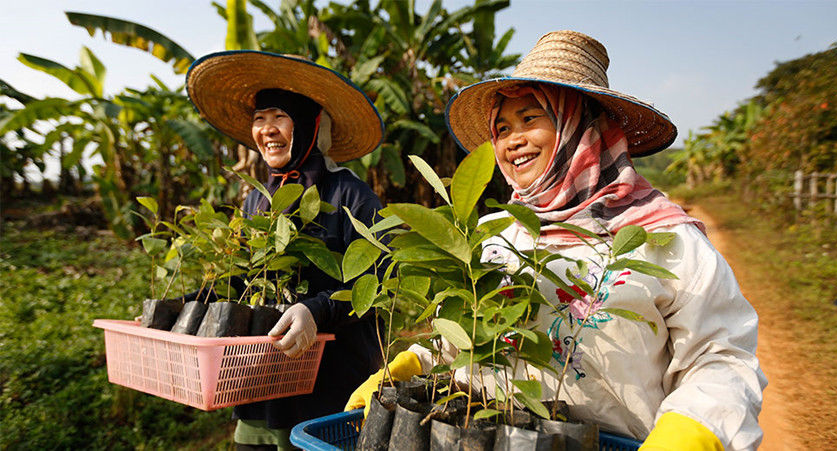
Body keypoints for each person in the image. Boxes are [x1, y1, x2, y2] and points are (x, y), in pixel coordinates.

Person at [347, 31, 767, 450]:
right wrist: (413, 364)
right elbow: (463, 339)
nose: (513, 140)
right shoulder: (494, 235)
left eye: (531, 119)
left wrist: (693, 430)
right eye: (503, 127)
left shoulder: (664, 238)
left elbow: (721, 357)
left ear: (579, 126)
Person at [186, 50, 385, 450]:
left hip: (329, 384)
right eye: (259, 120)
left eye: (280, 117)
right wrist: (188, 302)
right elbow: (243, 281)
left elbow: (380, 279)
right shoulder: (258, 201)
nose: (267, 130)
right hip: (259, 382)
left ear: (310, 125)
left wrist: (318, 309)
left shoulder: (351, 195)